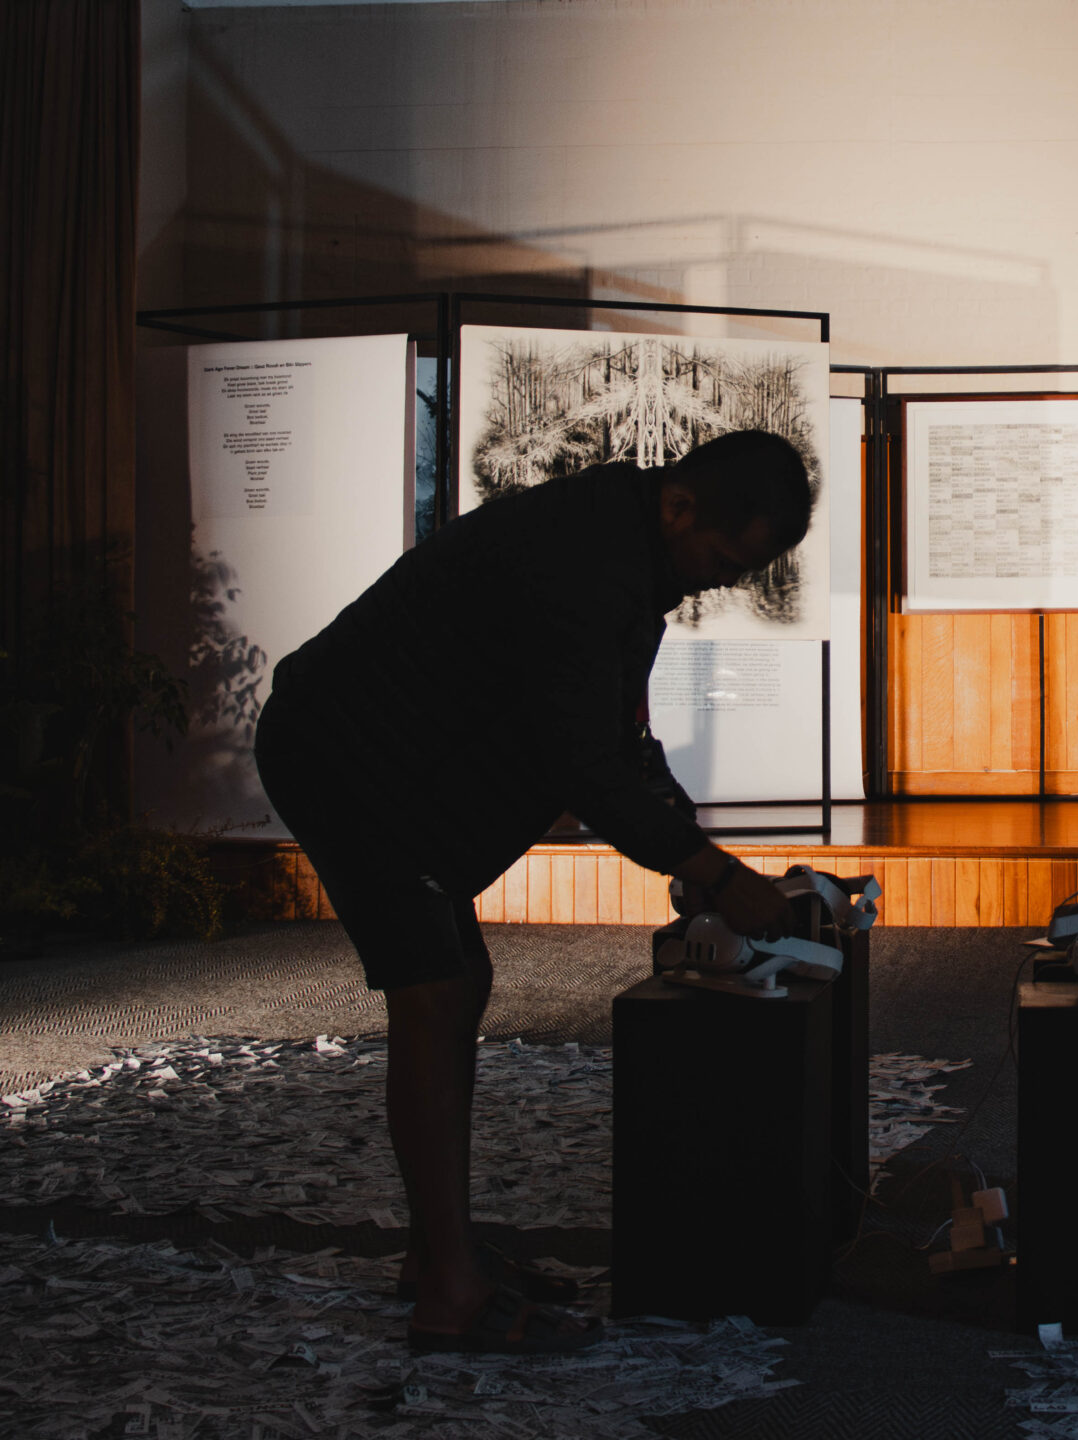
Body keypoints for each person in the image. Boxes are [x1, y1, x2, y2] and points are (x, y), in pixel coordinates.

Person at [254, 428, 810, 1354]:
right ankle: (450, 1296)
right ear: (680, 505)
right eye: (721, 560)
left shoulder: (629, 550)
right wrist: (710, 870)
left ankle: (439, 1253)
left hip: (403, 761)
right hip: (343, 756)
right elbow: (584, 768)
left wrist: (688, 843)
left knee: (461, 980)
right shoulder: (583, 561)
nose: (719, 581)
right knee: (433, 991)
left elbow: (621, 739)